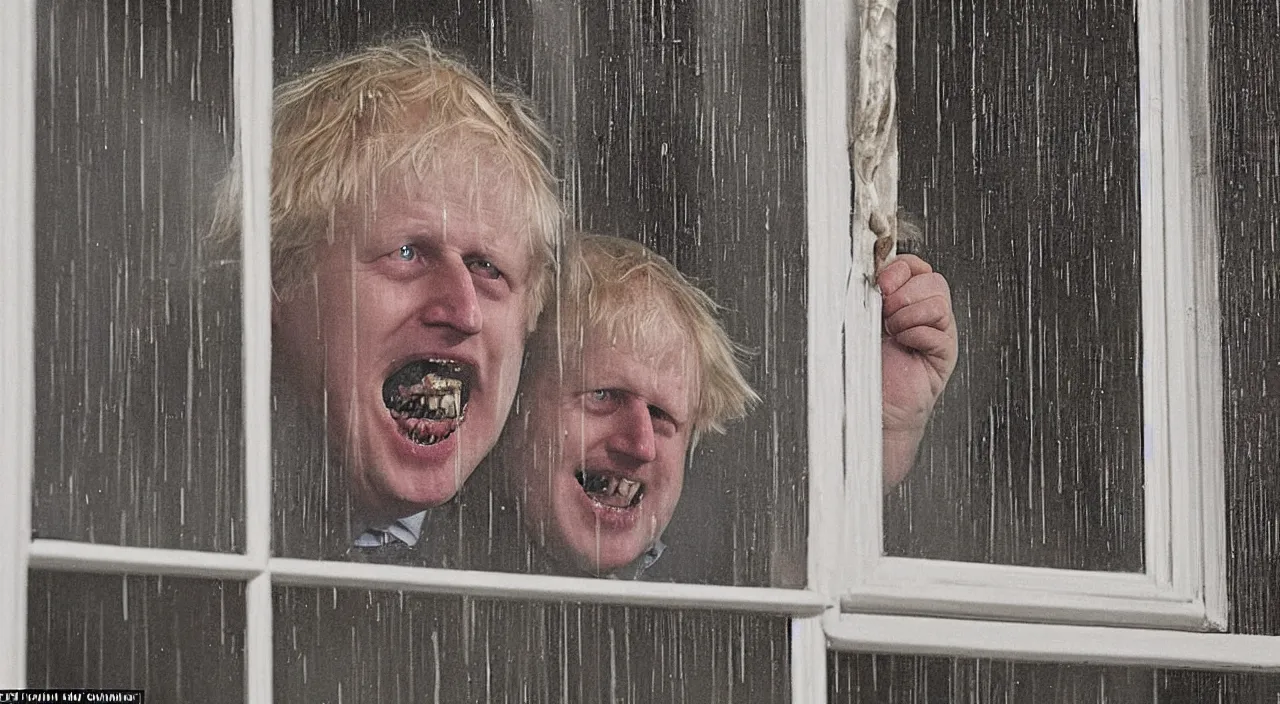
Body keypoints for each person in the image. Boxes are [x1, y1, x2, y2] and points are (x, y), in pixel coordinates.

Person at [209, 36, 561, 559]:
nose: (463, 312)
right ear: (276, 280)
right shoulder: (140, 522)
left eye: (487, 268)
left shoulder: (545, 591)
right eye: (407, 253)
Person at [484, 234, 957, 578]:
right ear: (516, 399)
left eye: (663, 415)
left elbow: (803, 583)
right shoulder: (422, 558)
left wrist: (883, 431)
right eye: (604, 397)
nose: (641, 445)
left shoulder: (716, 588)